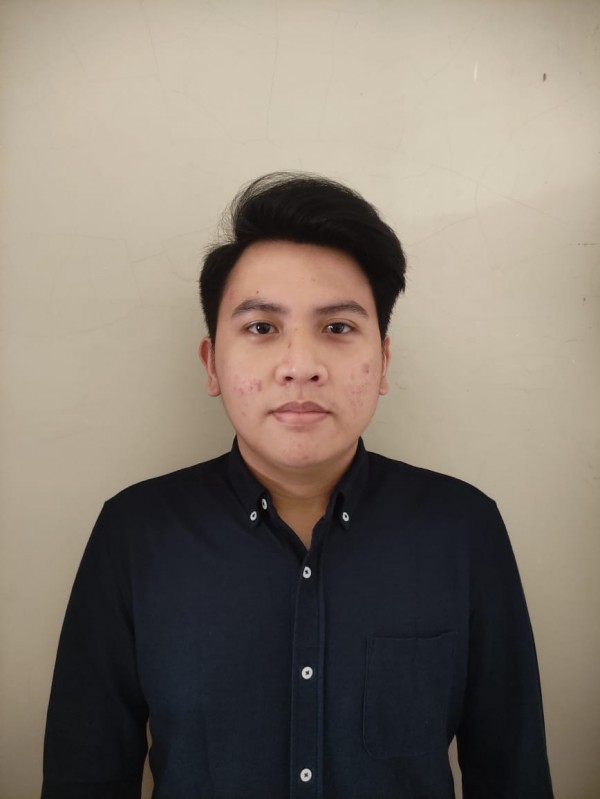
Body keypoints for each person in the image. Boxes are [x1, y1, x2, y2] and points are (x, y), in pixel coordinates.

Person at [42, 173, 553, 799]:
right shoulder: (136, 532)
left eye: (337, 328)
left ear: (383, 361)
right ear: (211, 363)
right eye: (262, 327)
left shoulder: (463, 528)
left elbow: (512, 773)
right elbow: (85, 774)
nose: (300, 365)